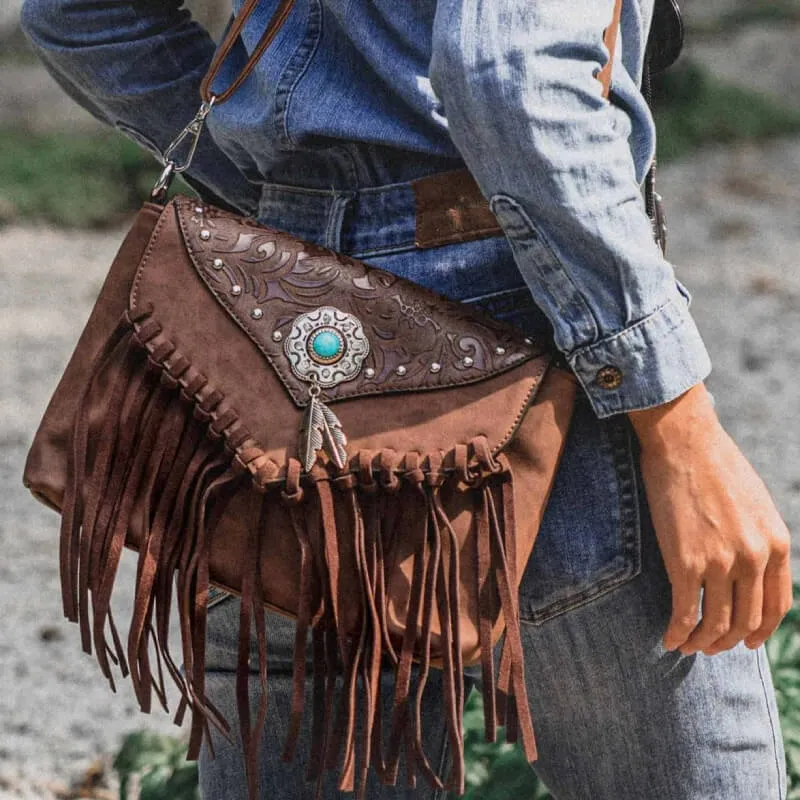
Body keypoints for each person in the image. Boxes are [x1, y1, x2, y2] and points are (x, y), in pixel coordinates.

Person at [20, 0, 794, 797]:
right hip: (515, 345)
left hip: (275, 353)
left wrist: (286, 210)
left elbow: (79, 16)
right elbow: (510, 67)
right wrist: (678, 424)